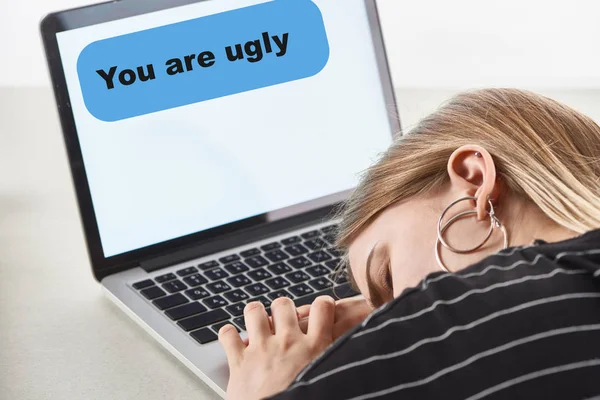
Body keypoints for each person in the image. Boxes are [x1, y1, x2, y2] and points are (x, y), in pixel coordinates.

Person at [218, 88, 600, 400]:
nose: (393, 314)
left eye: (386, 273)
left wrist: (264, 388)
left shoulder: (458, 314)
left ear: (474, 180)